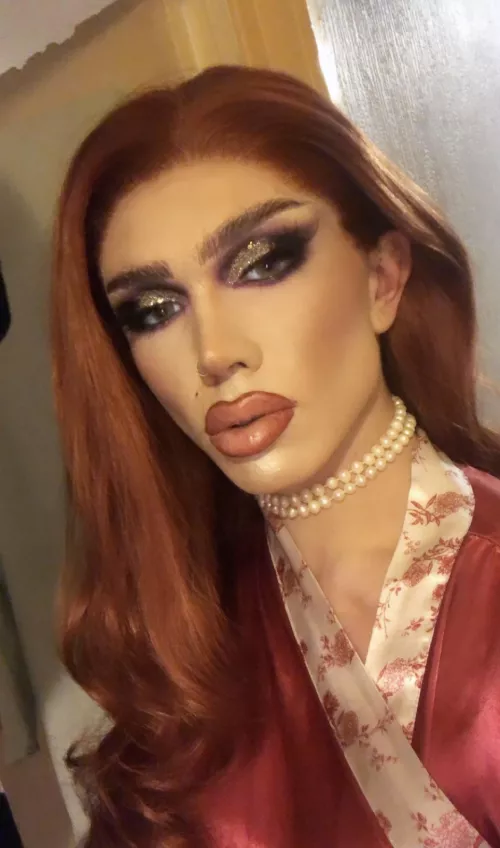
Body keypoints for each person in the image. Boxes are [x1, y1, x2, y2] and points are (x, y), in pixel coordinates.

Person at [51, 65, 500, 848]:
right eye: (154, 310)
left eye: (262, 264)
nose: (214, 352)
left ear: (383, 277)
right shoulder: (186, 650)